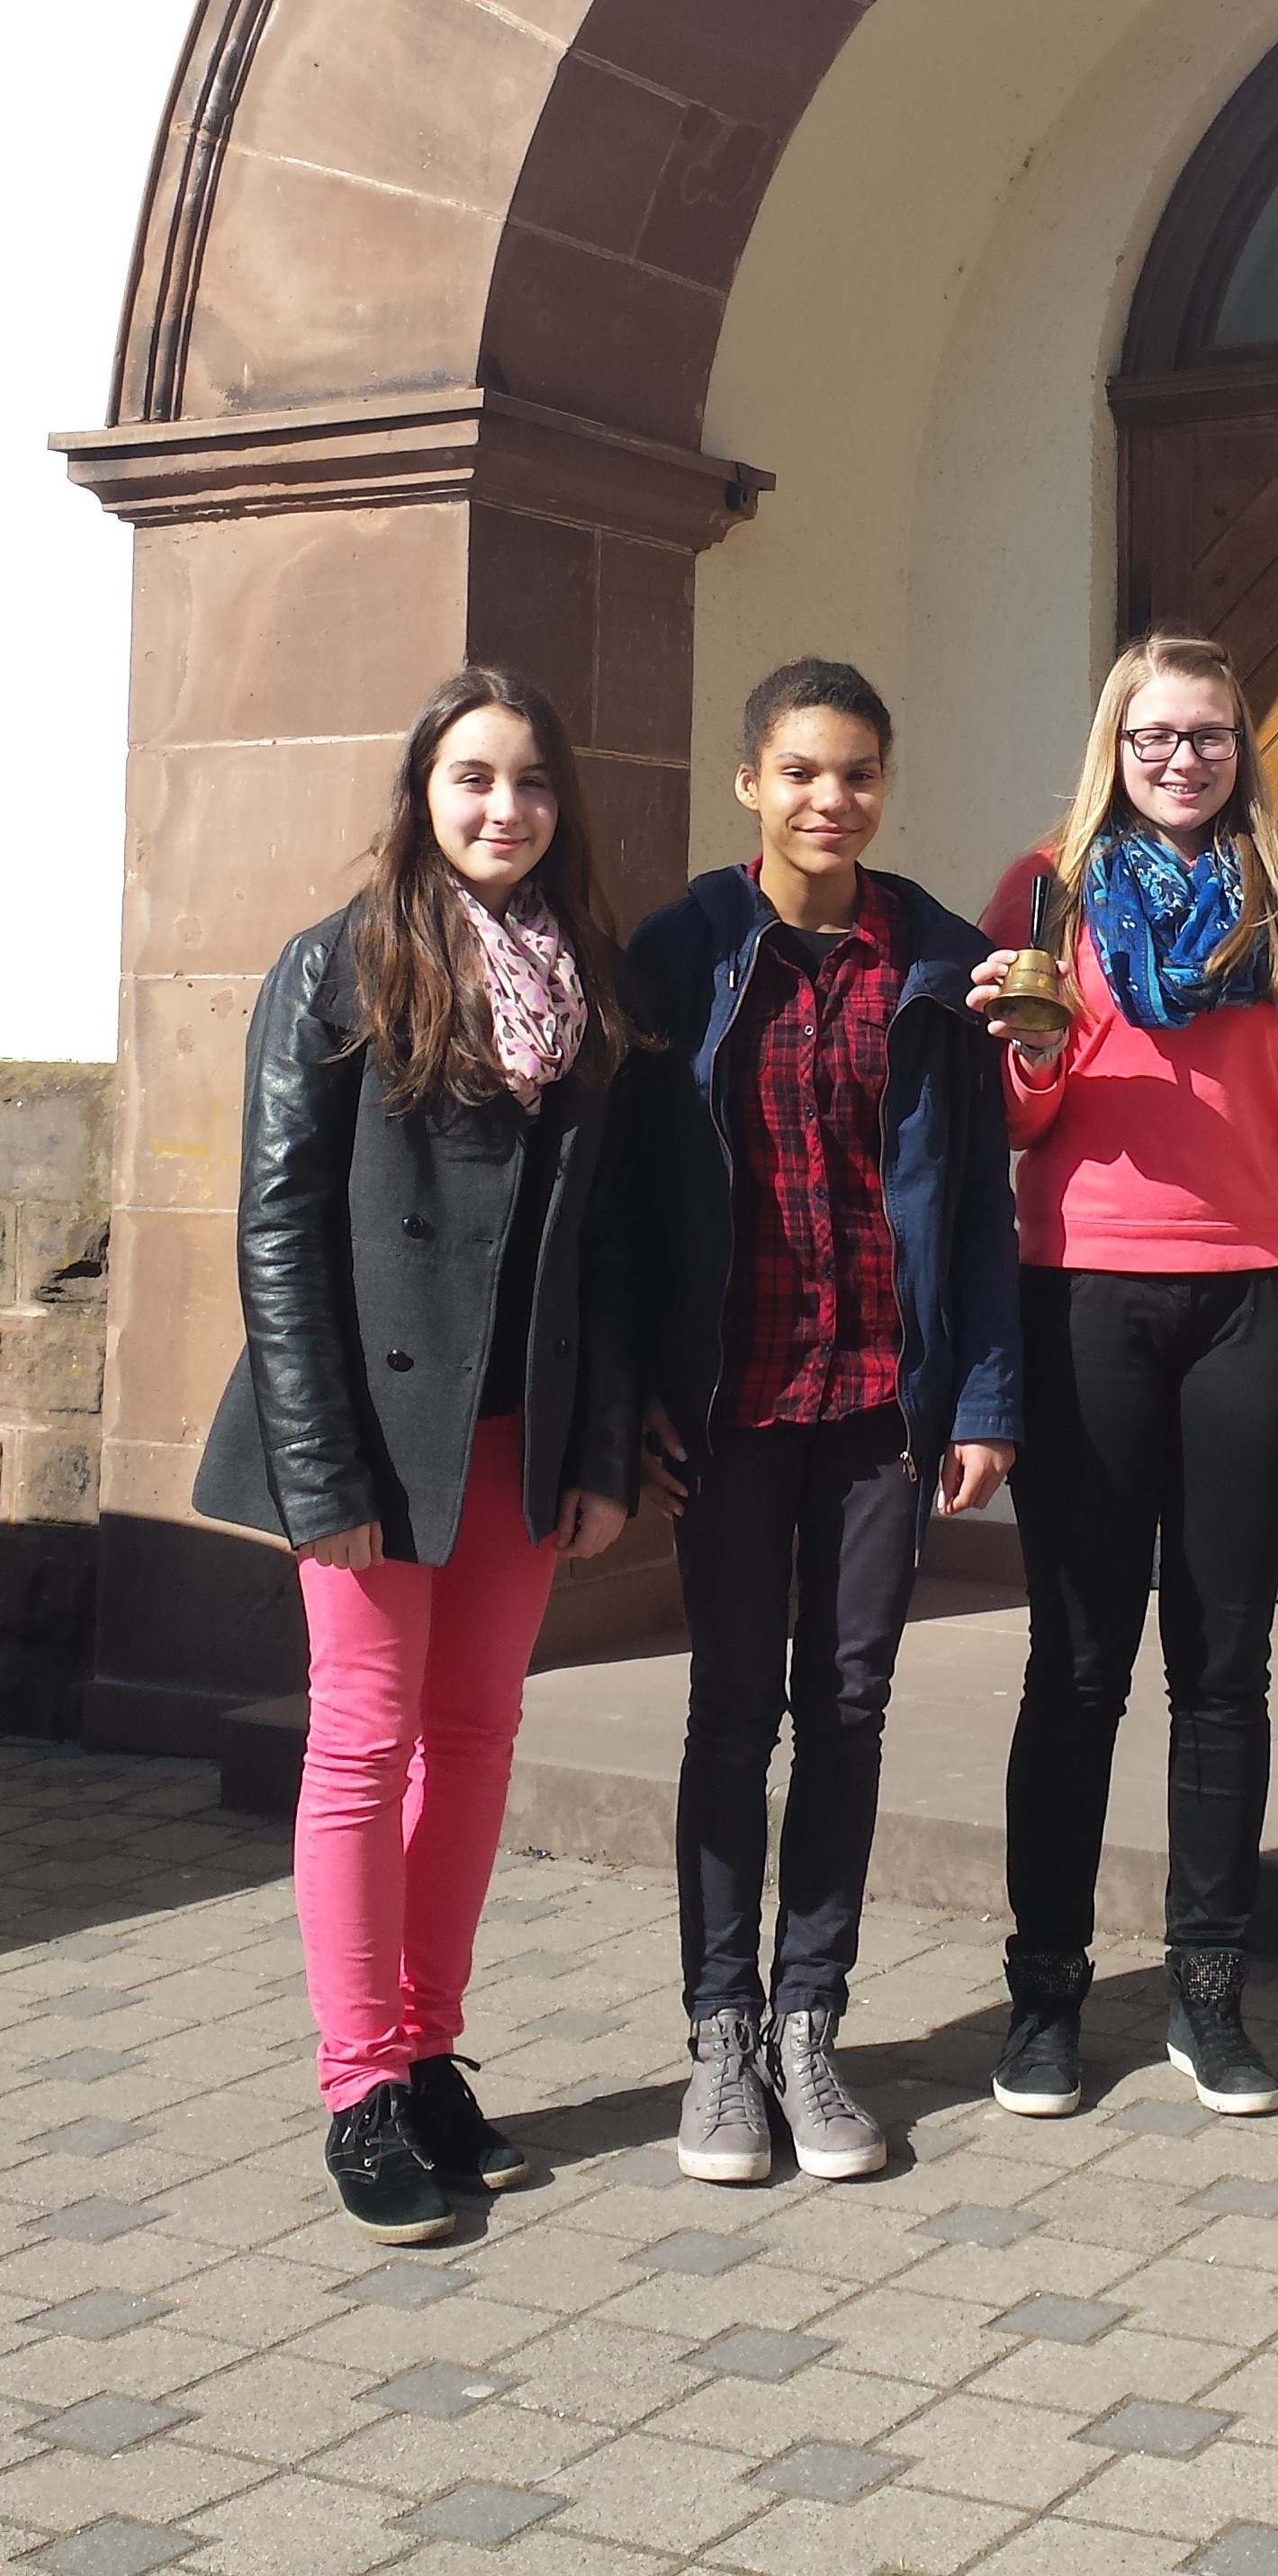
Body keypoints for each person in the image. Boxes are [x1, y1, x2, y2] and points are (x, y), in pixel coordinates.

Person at [194, 668, 648, 2243]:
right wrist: (318, 1479)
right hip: (373, 1443)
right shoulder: (336, 965)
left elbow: (603, 1249)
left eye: (530, 782)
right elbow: (276, 1230)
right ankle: (359, 2087)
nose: (503, 808)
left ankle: (431, 2052)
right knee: (361, 1744)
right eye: (472, 778)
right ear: (422, 794)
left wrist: (601, 1451)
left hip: (522, 1432)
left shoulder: (585, 982)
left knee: (475, 1736)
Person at [973, 632, 1278, 2120]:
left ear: (1238, 748)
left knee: (1221, 1668)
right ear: (1115, 744)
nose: (1181, 760)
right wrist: (1025, 1055)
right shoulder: (1043, 891)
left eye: (1207, 736)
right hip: (1080, 1299)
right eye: (1154, 736)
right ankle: (1046, 1995)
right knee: (1076, 1664)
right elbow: (1004, 1124)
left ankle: (1208, 1992)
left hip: (1247, 1310)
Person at [631, 658, 1020, 2186]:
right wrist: (631, 1395)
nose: (829, 799)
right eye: (799, 771)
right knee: (732, 1707)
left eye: (855, 773)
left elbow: (973, 1200)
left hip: (877, 1401)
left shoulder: (938, 959)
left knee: (848, 1706)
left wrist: (982, 1396)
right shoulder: (682, 951)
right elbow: (625, 1196)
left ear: (881, 787)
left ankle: (809, 2024)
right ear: (751, 783)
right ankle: (719, 2034)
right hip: (729, 1398)